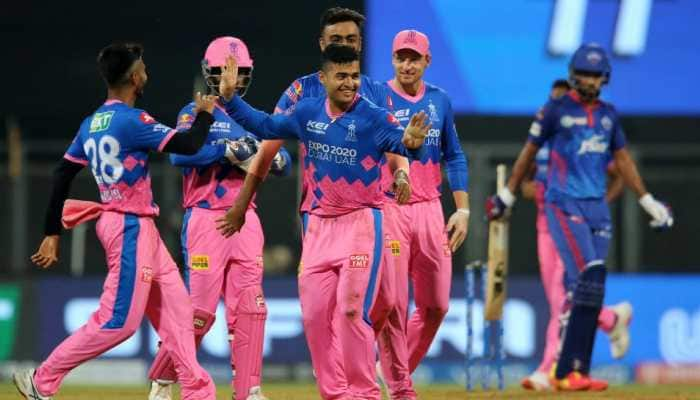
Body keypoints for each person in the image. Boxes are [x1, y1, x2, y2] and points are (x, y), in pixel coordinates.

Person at [216, 44, 429, 400]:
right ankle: (335, 394)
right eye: (341, 76)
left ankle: (364, 393)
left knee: (350, 311)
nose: (349, 84)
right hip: (318, 228)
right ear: (326, 78)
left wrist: (413, 143)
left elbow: (401, 143)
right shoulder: (307, 111)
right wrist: (230, 99)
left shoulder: (374, 117)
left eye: (354, 76)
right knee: (315, 318)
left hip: (361, 224)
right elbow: (266, 125)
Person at [14, 43, 218, 400]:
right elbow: (189, 145)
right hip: (128, 226)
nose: (147, 73)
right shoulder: (132, 120)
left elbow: (62, 173)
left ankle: (197, 392)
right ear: (135, 77)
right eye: (143, 68)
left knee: (178, 316)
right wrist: (204, 113)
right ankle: (41, 379)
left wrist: (51, 232)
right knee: (118, 322)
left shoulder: (91, 122)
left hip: (137, 226)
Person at [487, 43, 673, 391]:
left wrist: (647, 200)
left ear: (604, 77)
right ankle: (561, 363)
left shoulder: (608, 116)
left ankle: (573, 370)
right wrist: (510, 194)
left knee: (586, 284)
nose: (587, 81)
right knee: (575, 286)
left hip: (594, 209)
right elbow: (527, 156)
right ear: (572, 77)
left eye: (594, 74)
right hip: (560, 209)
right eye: (582, 74)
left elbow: (624, 163)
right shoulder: (554, 114)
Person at [147, 37, 291, 400]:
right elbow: (180, 156)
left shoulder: (251, 117)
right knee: (199, 311)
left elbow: (284, 162)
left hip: (247, 220)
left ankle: (249, 390)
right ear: (208, 73)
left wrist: (266, 157)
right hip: (205, 219)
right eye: (224, 71)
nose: (233, 78)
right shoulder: (193, 111)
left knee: (251, 309)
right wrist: (227, 151)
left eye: (240, 72)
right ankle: (164, 377)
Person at [519, 79, 632, 391]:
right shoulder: (542, 144)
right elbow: (527, 182)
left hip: (573, 222)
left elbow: (616, 172)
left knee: (562, 299)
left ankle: (548, 368)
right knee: (559, 298)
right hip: (545, 226)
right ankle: (610, 319)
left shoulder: (580, 144)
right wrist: (530, 190)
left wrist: (599, 201)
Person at [375, 30, 469, 400]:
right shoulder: (376, 97)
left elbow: (455, 156)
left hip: (431, 208)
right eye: (401, 57)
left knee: (436, 306)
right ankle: (398, 387)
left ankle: (390, 373)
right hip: (391, 206)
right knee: (393, 304)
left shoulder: (439, 101)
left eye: (414, 58)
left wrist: (462, 209)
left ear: (427, 61)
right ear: (393, 59)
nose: (407, 64)